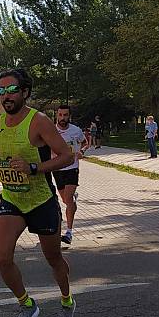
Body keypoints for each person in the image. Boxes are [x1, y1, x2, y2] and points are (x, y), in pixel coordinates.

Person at [0, 68, 76, 317]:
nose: (6, 96)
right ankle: (27, 305)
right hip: (12, 199)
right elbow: (6, 157)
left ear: (25, 92)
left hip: (41, 201)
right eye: (1, 91)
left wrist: (35, 168)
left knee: (53, 257)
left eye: (12, 89)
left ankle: (67, 302)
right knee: (2, 257)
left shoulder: (38, 121)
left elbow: (67, 155)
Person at [52, 105, 88, 245]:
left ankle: (69, 232)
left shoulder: (76, 130)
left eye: (65, 115)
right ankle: (72, 198)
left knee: (67, 198)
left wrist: (82, 151)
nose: (62, 118)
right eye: (60, 115)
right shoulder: (52, 131)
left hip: (72, 167)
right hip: (57, 168)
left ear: (69, 116)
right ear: (57, 116)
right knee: (67, 201)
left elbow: (85, 143)